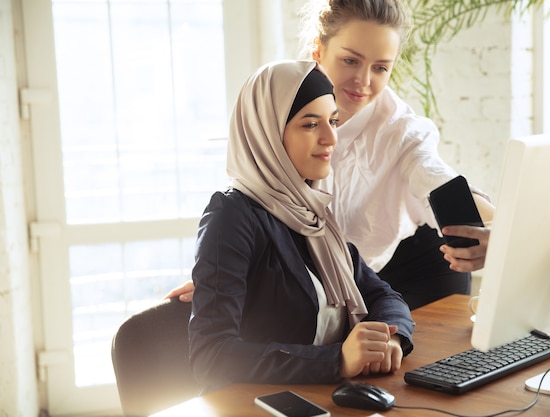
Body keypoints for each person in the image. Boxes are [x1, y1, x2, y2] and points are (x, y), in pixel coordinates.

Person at [167, 0, 495, 310]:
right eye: (350, 60)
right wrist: (225, 276)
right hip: (329, 277)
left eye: (381, 67)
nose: (363, 82)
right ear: (318, 51)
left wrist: (499, 233)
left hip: (409, 272)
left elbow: (435, 177)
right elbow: (261, 205)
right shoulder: (280, 109)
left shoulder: (400, 130)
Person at [188, 60, 414, 392]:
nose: (330, 138)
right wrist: (337, 360)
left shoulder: (311, 208)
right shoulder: (232, 215)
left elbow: (383, 295)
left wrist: (388, 342)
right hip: (258, 405)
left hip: (323, 396)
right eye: (310, 125)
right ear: (267, 132)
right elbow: (211, 355)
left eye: (333, 121)